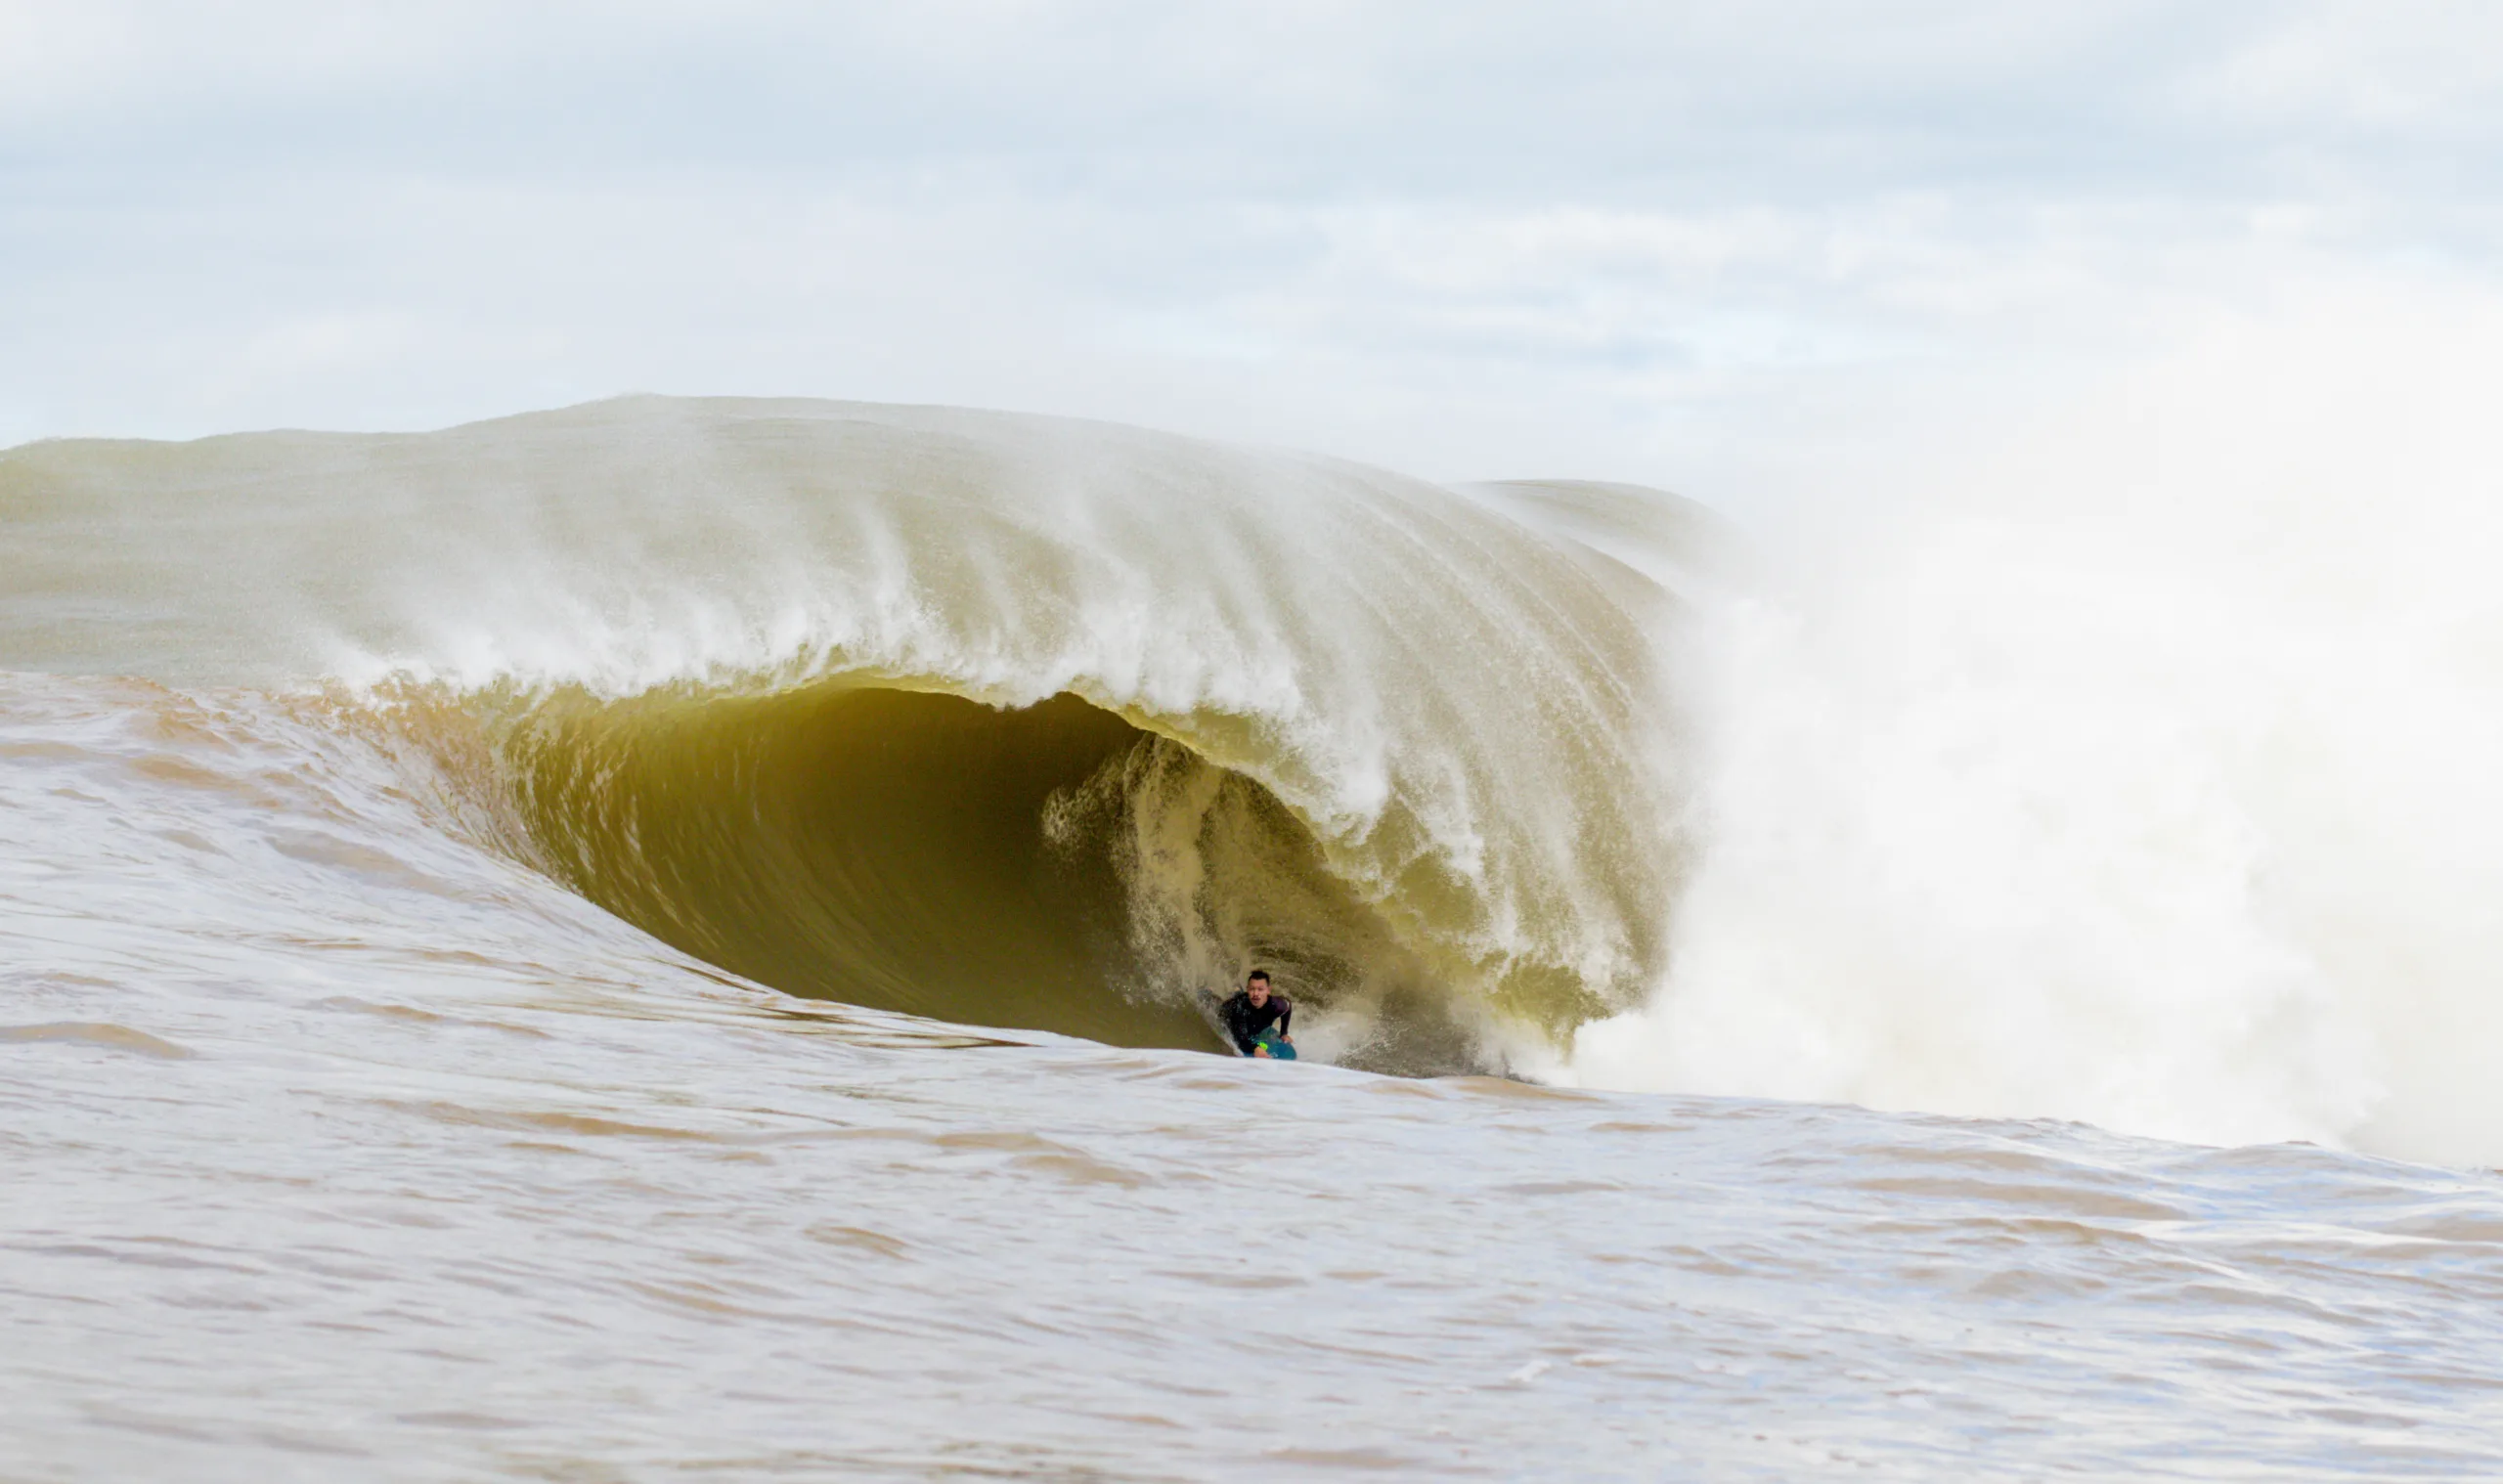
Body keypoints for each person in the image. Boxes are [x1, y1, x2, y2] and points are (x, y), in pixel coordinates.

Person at [1218, 970, 1295, 1059]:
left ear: (1268, 990)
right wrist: (1254, 1048)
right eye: (1252, 989)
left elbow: (1288, 1006)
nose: (1256, 994)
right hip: (1227, 1011)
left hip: (1246, 1002)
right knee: (1219, 1004)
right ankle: (1207, 992)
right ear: (1248, 989)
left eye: (1260, 989)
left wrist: (1284, 1033)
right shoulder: (1240, 1008)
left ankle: (1237, 990)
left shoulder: (1276, 1005)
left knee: (1242, 997)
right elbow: (1240, 1039)